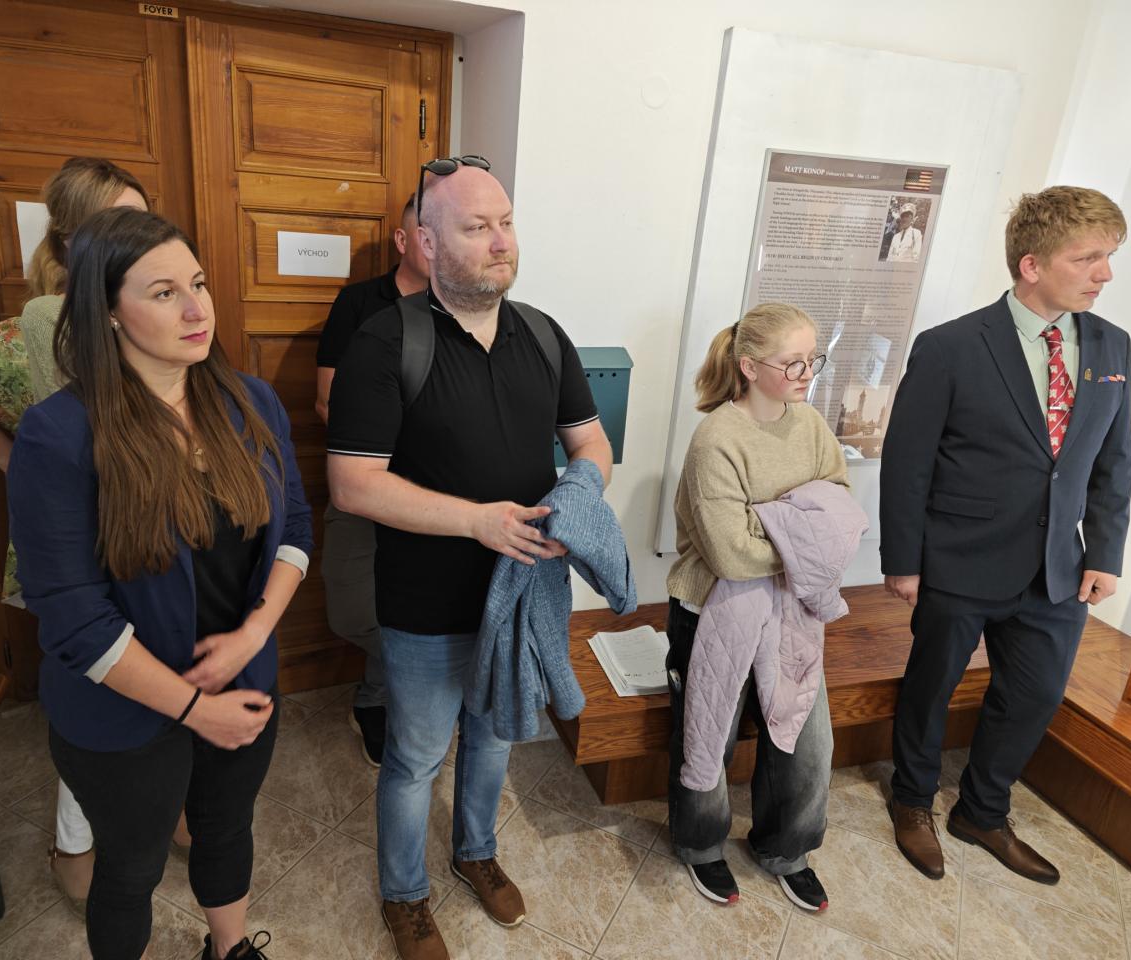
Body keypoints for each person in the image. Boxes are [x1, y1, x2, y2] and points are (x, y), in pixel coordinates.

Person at [327, 157, 611, 960]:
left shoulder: (544, 336)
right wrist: (475, 522)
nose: (500, 241)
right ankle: (405, 896)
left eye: (506, 223)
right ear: (426, 241)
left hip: (519, 596)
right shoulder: (386, 342)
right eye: (476, 227)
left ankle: (476, 853)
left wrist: (578, 501)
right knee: (417, 757)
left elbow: (591, 443)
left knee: (493, 738)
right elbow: (352, 484)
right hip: (423, 604)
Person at [8, 207, 311, 960]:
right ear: (108, 311)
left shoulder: (250, 401)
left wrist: (254, 633)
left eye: (198, 285)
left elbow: (296, 528)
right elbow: (73, 618)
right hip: (121, 713)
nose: (197, 309)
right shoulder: (60, 433)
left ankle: (230, 950)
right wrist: (196, 710)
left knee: (226, 828)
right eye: (165, 292)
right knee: (133, 866)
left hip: (243, 680)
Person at [0, 155, 154, 914]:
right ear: (72, 239)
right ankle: (73, 844)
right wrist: (14, 459)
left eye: (142, 222)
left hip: (150, 550)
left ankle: (167, 810)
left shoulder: (153, 313)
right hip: (74, 557)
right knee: (91, 702)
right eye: (115, 223)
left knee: (159, 687)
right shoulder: (37, 330)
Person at [881, 186, 1131, 884]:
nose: (1105, 273)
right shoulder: (951, 347)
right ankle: (912, 801)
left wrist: (1105, 553)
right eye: (1088, 258)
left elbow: (1114, 459)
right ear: (1031, 264)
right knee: (931, 689)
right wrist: (903, 561)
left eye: (1109, 256)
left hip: (1056, 568)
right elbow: (907, 463)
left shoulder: (1111, 345)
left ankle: (983, 812)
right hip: (958, 560)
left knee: (1035, 696)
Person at [665, 303, 847, 911]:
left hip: (794, 610)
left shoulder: (812, 426)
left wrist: (766, 523)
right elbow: (730, 555)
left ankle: (785, 851)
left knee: (808, 743)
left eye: (813, 359)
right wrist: (798, 533)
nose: (807, 373)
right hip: (712, 609)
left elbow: (841, 515)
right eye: (792, 362)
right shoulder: (717, 439)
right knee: (707, 736)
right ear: (748, 366)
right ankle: (700, 846)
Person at [315, 193, 430, 767]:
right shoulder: (360, 304)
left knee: (427, 607)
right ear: (403, 241)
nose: (439, 246)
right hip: (364, 487)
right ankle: (404, 685)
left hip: (437, 494)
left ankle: (378, 699)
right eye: (426, 234)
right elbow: (327, 402)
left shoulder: (463, 308)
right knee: (354, 610)